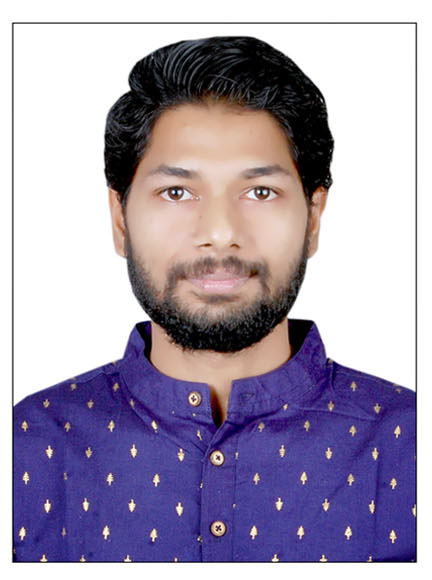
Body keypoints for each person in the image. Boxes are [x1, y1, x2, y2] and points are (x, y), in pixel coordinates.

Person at [13, 35, 415, 563]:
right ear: (120, 219)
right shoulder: (25, 446)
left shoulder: (412, 444)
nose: (221, 232)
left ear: (313, 218)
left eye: (260, 192)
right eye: (177, 192)